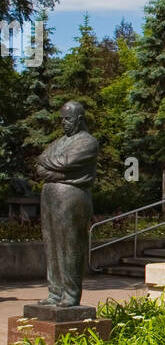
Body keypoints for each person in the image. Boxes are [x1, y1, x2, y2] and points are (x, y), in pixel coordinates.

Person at [33, 101, 99, 307]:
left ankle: (70, 294)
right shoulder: (59, 141)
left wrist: (50, 166)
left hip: (72, 198)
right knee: (51, 244)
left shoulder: (87, 142)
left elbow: (66, 162)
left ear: (79, 119)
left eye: (68, 119)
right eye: (62, 118)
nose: (64, 123)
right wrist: (53, 167)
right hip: (51, 197)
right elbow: (39, 164)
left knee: (70, 244)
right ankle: (55, 292)